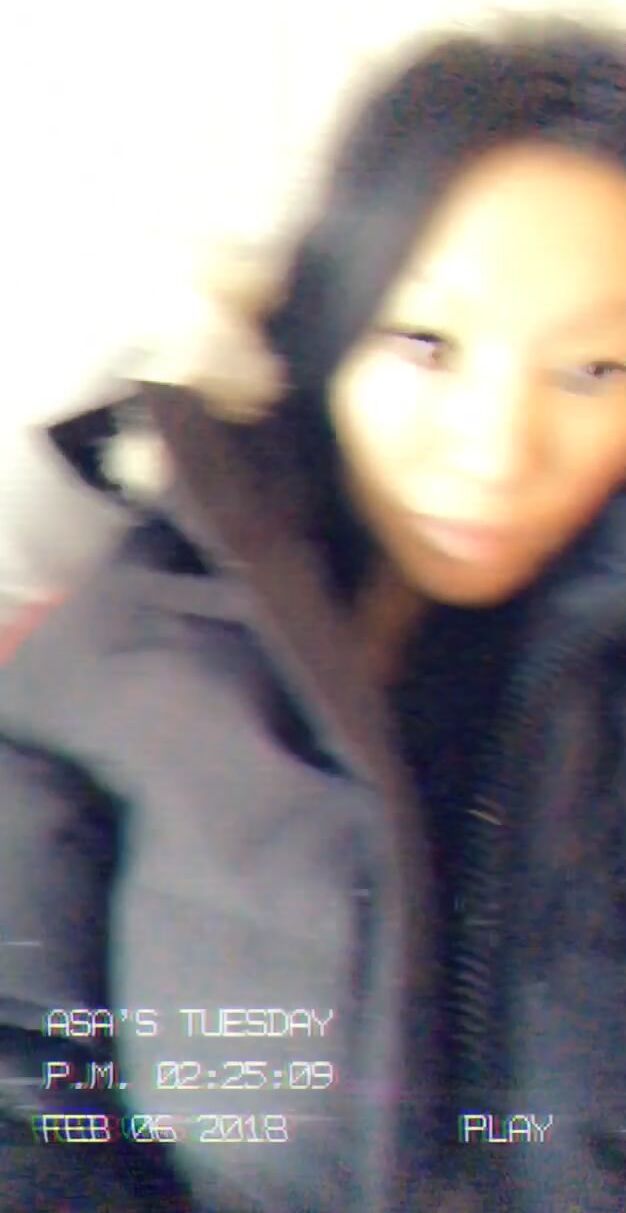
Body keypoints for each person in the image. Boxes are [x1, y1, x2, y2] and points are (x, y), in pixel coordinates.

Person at [2, 11, 626, 1211]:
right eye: (424, 343)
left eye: (592, 370)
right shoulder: (132, 657)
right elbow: (24, 1093)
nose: (494, 452)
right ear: (328, 325)